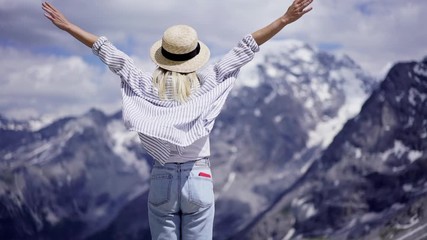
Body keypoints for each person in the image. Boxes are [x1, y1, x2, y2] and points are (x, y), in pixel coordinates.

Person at [42, 0, 313, 239]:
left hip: (162, 178)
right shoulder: (209, 82)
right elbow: (246, 47)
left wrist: (69, 26)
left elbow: (110, 53)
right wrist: (284, 19)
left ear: (163, 57)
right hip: (199, 177)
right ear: (195, 56)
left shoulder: (147, 86)